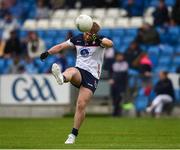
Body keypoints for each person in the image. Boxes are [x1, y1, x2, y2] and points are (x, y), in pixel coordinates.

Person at [40, 21, 113, 144]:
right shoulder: (77, 39)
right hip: (79, 70)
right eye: (87, 33)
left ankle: (73, 135)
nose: (87, 36)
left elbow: (110, 43)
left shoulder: (99, 39)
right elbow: (61, 46)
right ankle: (62, 78)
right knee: (71, 70)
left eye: (90, 34)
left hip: (93, 76)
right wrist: (48, 52)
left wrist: (96, 38)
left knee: (80, 105)